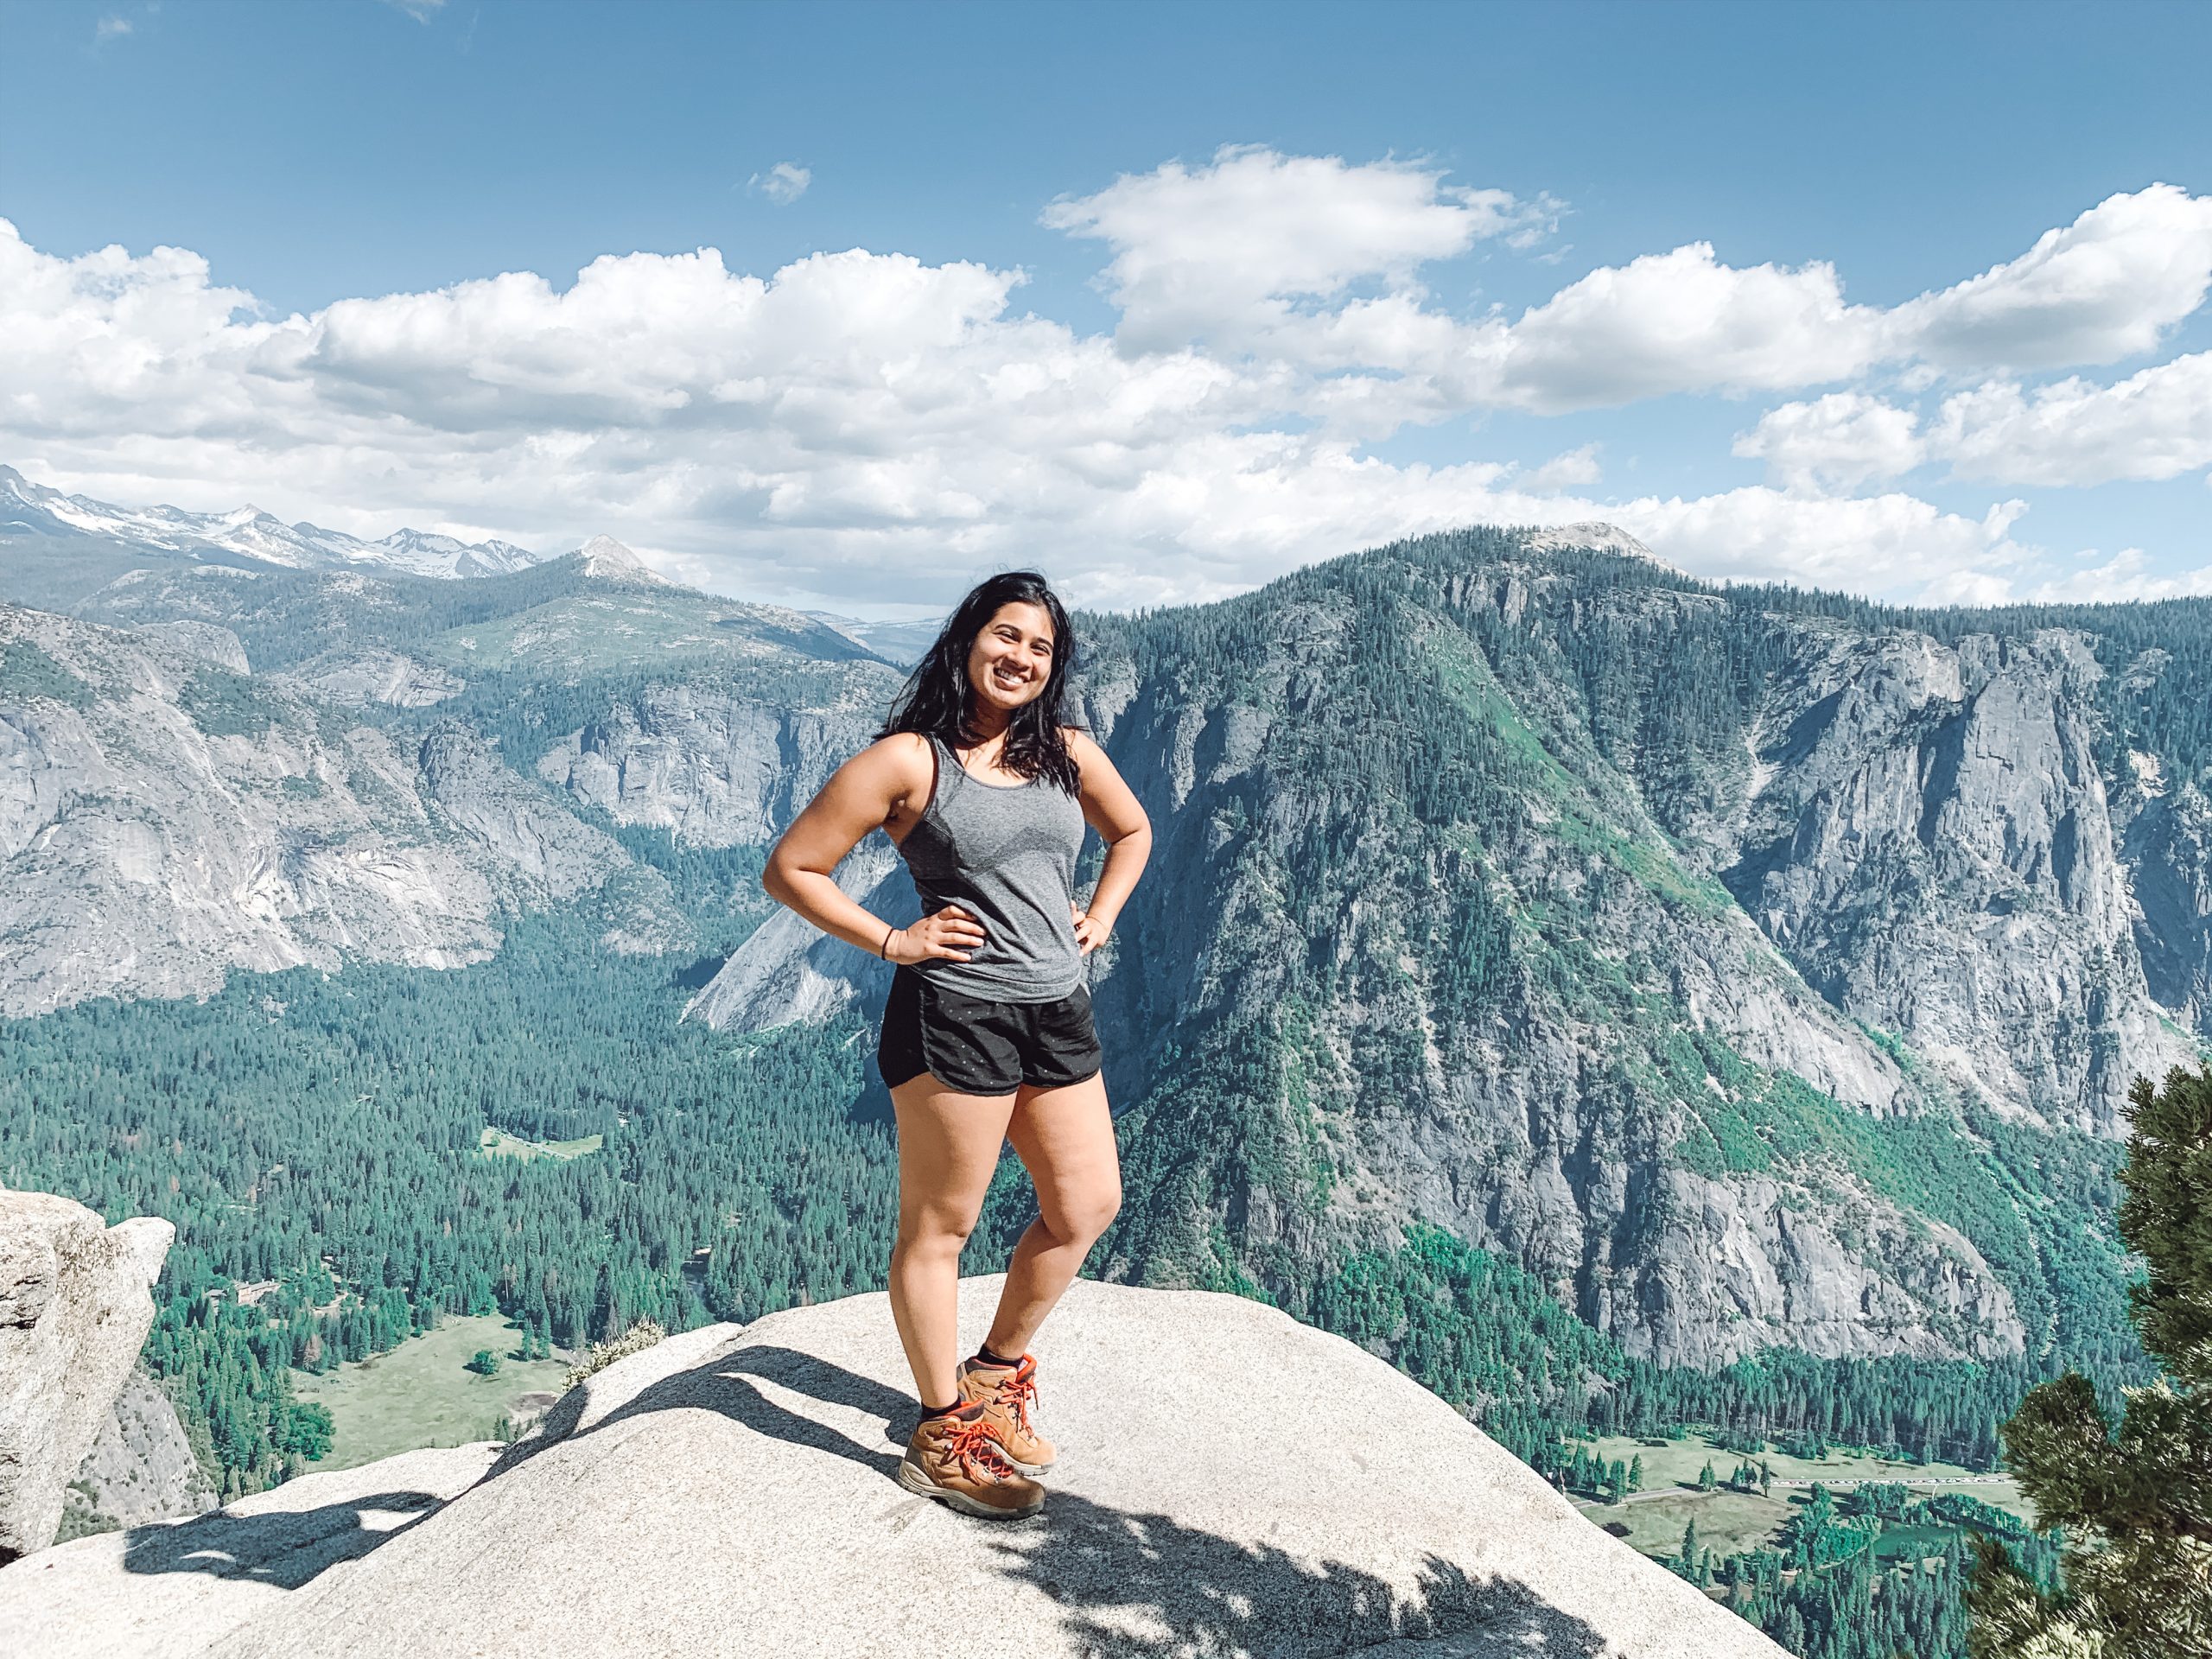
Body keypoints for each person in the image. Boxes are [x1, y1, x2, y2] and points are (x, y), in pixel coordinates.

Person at [761, 569, 1152, 1520]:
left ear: (1052, 667)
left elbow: (1132, 831)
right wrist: (893, 940)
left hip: (1054, 1008)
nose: (1019, 657)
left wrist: (1096, 916)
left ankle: (993, 1376)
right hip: (953, 1015)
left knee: (1085, 1205)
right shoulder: (907, 762)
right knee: (941, 1230)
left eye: (1040, 648)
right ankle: (941, 1434)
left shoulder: (1064, 751)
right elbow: (791, 869)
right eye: (1004, 636)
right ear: (967, 639)